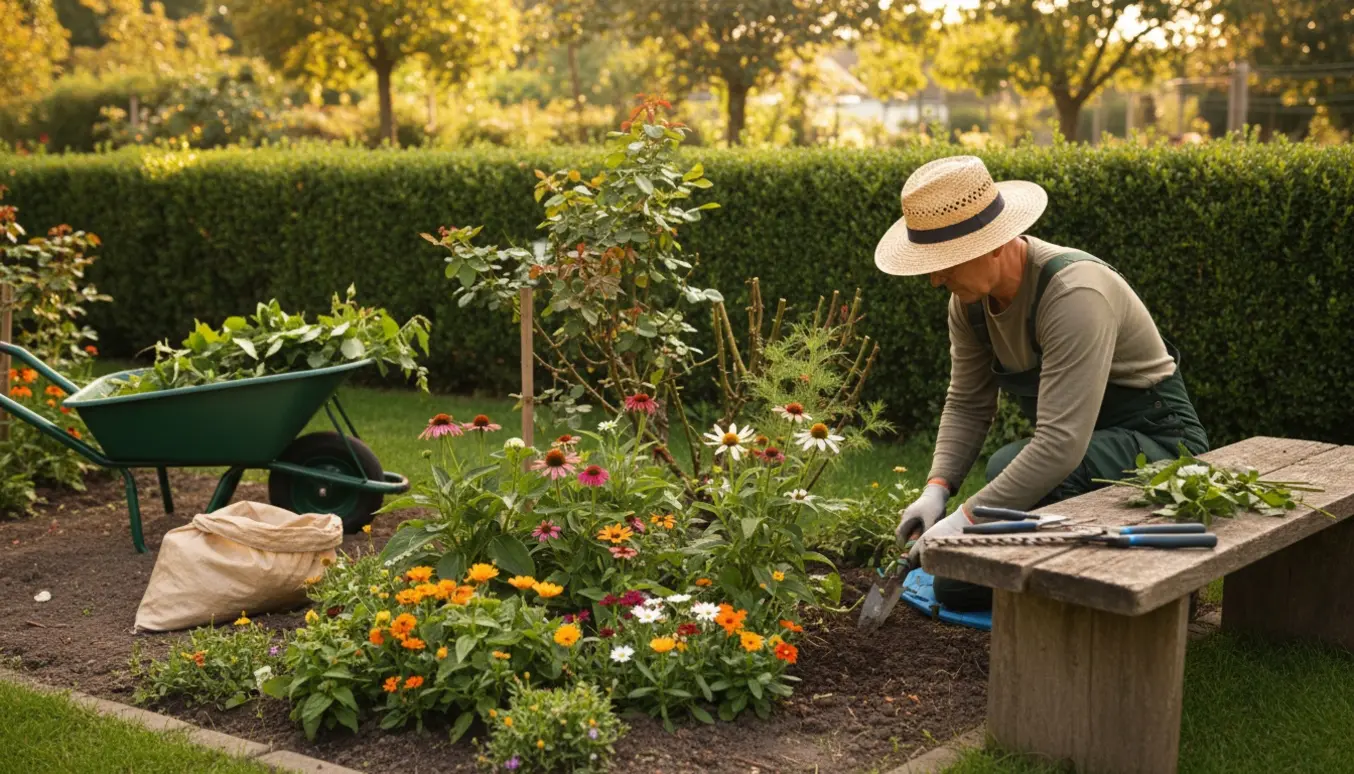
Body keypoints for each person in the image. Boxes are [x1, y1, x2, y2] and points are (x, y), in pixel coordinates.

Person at [873, 156, 1209, 612]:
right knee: (956, 579)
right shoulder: (970, 304)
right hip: (1088, 450)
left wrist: (962, 523)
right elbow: (968, 404)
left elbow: (1060, 444)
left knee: (996, 490)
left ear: (993, 244)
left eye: (945, 262)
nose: (935, 279)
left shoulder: (1073, 293)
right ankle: (1081, 581)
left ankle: (1155, 581)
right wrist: (936, 490)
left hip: (1162, 447)